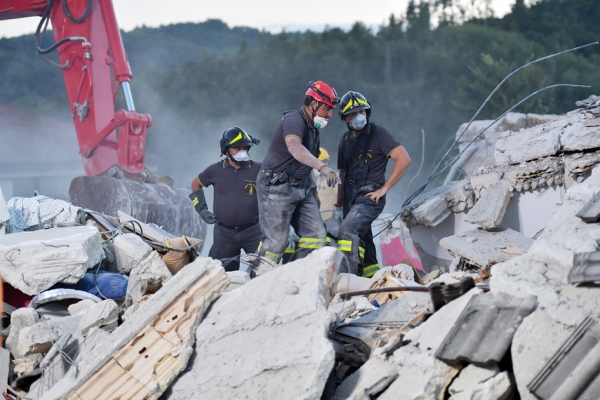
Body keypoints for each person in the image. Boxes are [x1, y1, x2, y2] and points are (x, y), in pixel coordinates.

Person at [253, 81, 340, 273]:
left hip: (302, 187)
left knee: (316, 236)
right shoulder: (294, 120)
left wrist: (313, 191)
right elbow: (294, 147)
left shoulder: (313, 129)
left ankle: (293, 276)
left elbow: (304, 164)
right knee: (276, 243)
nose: (330, 114)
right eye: (327, 108)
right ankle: (258, 281)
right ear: (313, 103)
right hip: (278, 187)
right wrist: (322, 167)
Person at [335, 91, 411, 277]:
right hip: (349, 199)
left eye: (361, 111)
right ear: (344, 117)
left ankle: (348, 280)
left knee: (347, 231)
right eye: (352, 113)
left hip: (369, 198)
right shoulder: (345, 141)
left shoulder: (380, 134)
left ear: (367, 112)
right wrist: (338, 204)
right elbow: (342, 175)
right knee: (364, 238)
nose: (358, 116)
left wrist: (384, 189)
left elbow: (404, 159)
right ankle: (371, 276)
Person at [189, 127, 262, 272]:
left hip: (254, 232)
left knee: (263, 272)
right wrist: (202, 210)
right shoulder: (215, 170)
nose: (242, 151)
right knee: (218, 275)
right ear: (226, 150)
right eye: (237, 148)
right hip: (224, 235)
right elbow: (195, 184)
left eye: (245, 148)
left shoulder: (259, 169)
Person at [314, 147, 339, 236]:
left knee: (332, 242)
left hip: (331, 219)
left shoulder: (333, 177)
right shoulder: (319, 178)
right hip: (320, 218)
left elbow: (341, 197)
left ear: (326, 164)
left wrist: (340, 212)